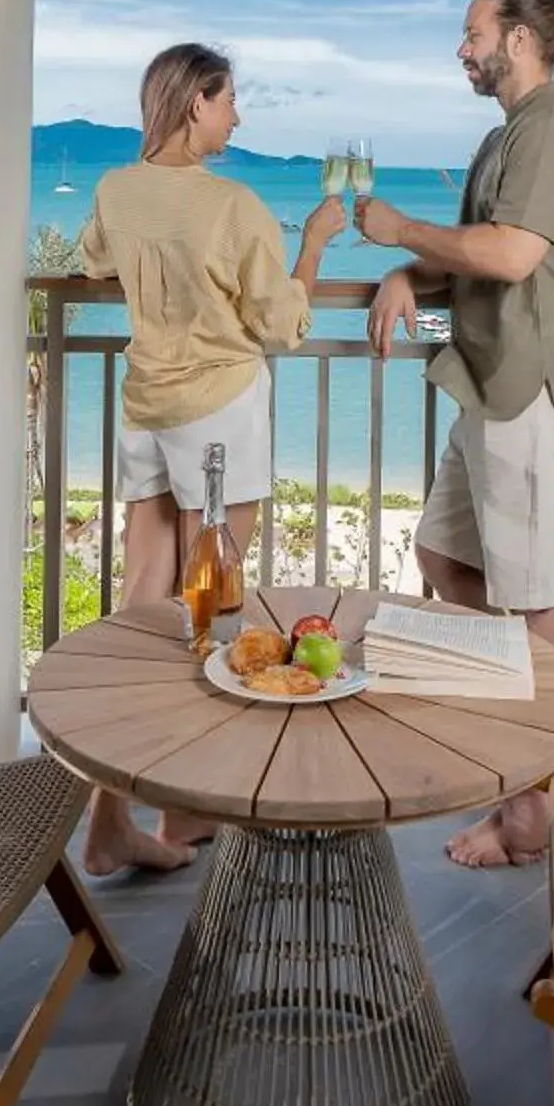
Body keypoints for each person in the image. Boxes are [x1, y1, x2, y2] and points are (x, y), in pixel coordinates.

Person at [358, 0, 554, 868]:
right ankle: (515, 745)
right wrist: (408, 283)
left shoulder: (552, 127)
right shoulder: (505, 137)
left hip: (535, 396)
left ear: (518, 39)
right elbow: (475, 268)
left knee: (537, 599)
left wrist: (398, 233)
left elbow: (511, 255)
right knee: (446, 559)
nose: (461, 50)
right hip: (490, 387)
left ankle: (538, 808)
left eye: (472, 34)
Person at [76, 43, 346, 874]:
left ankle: (119, 815)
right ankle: (191, 804)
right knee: (210, 612)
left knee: (139, 602)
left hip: (146, 405)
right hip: (219, 412)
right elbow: (280, 325)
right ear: (196, 102)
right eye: (230, 101)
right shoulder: (233, 206)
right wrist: (315, 243)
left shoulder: (117, 188)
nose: (238, 116)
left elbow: (95, 264)